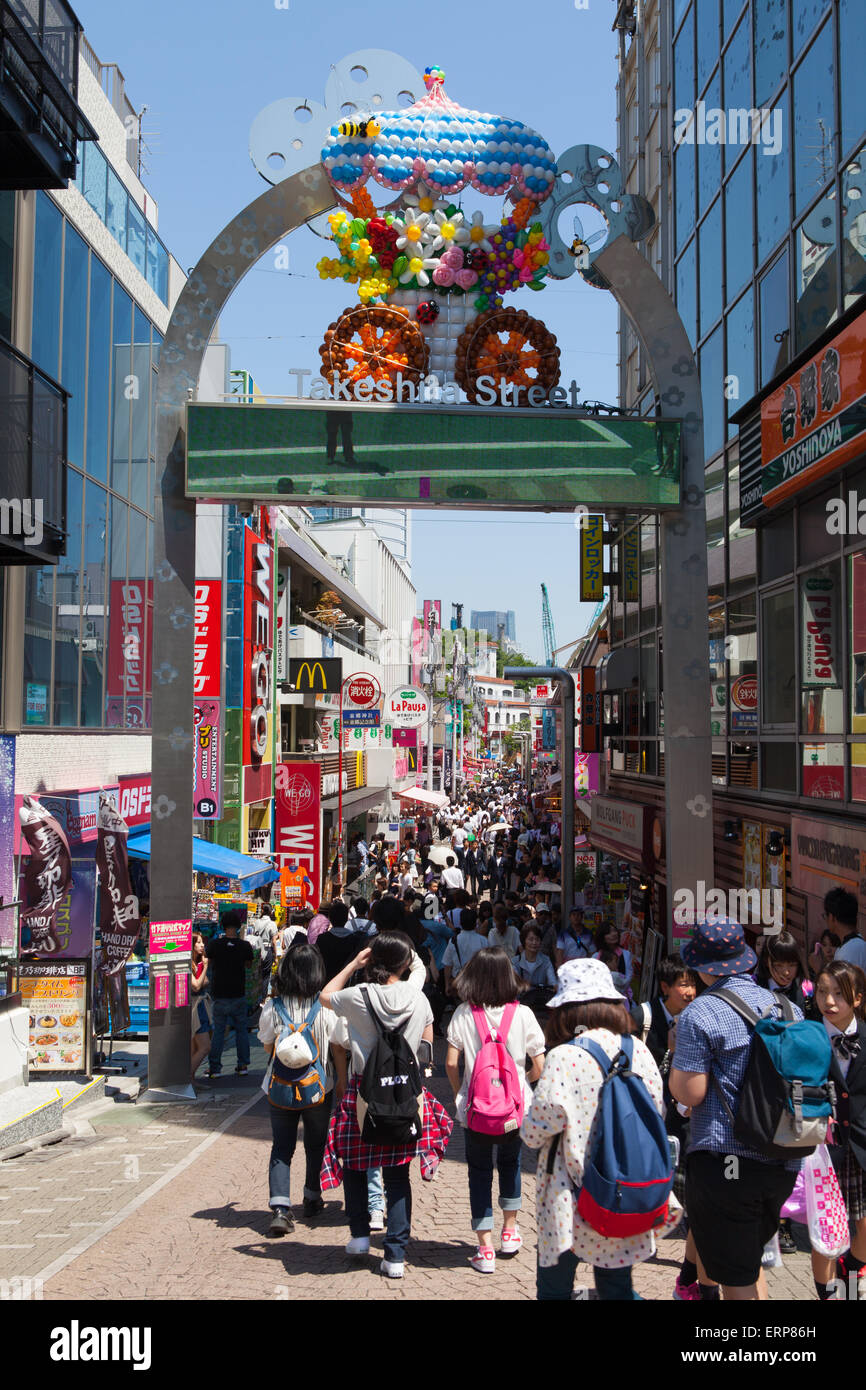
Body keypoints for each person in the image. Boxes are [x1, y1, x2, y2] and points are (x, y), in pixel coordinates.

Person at [521, 959, 679, 1300]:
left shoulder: (564, 1056)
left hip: (569, 1195)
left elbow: (534, 1132)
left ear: (567, 1009)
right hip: (623, 1188)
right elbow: (657, 1110)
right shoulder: (638, 1050)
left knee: (554, 1288)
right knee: (618, 1288)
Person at [669, 916, 801, 1301]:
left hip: (728, 1159)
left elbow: (691, 1093)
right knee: (747, 1261)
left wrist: (677, 1055)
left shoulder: (702, 1012)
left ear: (702, 965)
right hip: (785, 1158)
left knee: (737, 1277)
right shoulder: (787, 1008)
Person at [320, 933, 437, 1279]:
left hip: (363, 1091)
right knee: (398, 1174)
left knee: (357, 1164)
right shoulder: (417, 995)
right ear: (404, 963)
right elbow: (420, 969)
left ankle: (359, 1235)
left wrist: (356, 963)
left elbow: (324, 995)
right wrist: (405, 952)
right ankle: (395, 1254)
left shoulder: (359, 996)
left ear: (373, 961)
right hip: (405, 1091)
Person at [445, 948, 545, 1272]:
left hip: (475, 1111)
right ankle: (510, 1231)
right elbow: (539, 1064)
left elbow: (450, 1062)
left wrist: (461, 1093)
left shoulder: (463, 1013)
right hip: (513, 1112)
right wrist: (523, 1085)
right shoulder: (523, 1014)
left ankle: (485, 1248)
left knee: (478, 1172)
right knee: (511, 1163)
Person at [629, 954, 713, 1300]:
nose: (691, 991)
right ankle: (641, 1236)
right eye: (683, 984)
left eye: (692, 983)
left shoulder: (700, 1019)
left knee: (689, 1186)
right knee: (648, 1181)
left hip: (685, 1119)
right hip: (648, 1118)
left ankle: (692, 1254)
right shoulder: (643, 1018)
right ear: (665, 987)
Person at [258, 943, 348, 1235]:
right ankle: (312, 1195)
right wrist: (343, 1082)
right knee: (315, 1143)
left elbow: (267, 1045)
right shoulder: (327, 1007)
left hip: (280, 1086)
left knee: (281, 1147)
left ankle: (281, 1209)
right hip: (319, 1087)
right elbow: (337, 1049)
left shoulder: (273, 1007)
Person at [811, 960, 866, 1300]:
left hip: (862, 1147)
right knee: (826, 1231)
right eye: (822, 992)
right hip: (822, 1152)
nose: (829, 1001)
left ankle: (852, 1263)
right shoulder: (807, 1035)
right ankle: (830, 1296)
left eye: (838, 994)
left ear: (857, 999)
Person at [206, 912, 255, 1077]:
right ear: (239, 926)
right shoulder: (245, 946)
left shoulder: (214, 945)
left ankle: (215, 1068)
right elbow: (249, 965)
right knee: (241, 1030)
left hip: (219, 994)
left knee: (219, 1031)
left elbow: (209, 963)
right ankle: (242, 1066)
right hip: (238, 993)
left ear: (222, 925)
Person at [755, 931, 812, 1016]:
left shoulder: (807, 988)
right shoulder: (754, 987)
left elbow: (810, 1015)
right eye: (779, 965)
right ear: (766, 961)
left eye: (792, 965)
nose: (786, 972)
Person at [442, 907, 487, 997]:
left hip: (459, 984)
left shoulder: (454, 940)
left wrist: (447, 984)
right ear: (475, 923)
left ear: (461, 923)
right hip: (478, 983)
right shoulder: (483, 940)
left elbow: (447, 965)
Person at [512, 923, 557, 1011]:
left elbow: (552, 981)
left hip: (541, 1003)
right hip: (521, 1005)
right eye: (531, 939)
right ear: (524, 941)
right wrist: (523, 985)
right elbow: (514, 984)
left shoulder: (546, 960)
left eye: (537, 939)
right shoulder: (515, 961)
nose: (534, 943)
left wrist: (555, 986)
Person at [190, 931, 213, 1079]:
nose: (202, 945)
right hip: (195, 1008)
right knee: (205, 1047)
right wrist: (205, 967)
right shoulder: (190, 964)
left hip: (201, 1006)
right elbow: (197, 985)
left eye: (202, 942)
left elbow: (205, 982)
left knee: (196, 1047)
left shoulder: (197, 962)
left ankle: (191, 1080)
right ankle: (187, 1078)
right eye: (198, 942)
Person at [827, 887, 866, 972]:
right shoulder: (860, 943)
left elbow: (840, 985)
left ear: (832, 917)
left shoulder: (846, 953)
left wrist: (817, 966)